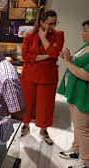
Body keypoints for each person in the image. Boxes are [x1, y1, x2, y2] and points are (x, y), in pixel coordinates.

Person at [20, 8, 64, 145]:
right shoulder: (29, 36)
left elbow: (55, 52)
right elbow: (25, 57)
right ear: (41, 22)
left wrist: (44, 38)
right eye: (50, 24)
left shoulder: (59, 35)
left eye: (54, 23)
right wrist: (47, 56)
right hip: (29, 75)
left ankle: (43, 130)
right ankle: (25, 125)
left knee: (46, 106)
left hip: (48, 77)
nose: (52, 27)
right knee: (27, 102)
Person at [58, 20, 89, 168]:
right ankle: (76, 149)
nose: (82, 33)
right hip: (76, 92)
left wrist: (67, 62)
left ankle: (85, 161)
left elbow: (85, 74)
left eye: (85, 30)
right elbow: (76, 64)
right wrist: (69, 57)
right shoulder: (86, 46)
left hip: (84, 94)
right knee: (77, 125)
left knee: (83, 129)